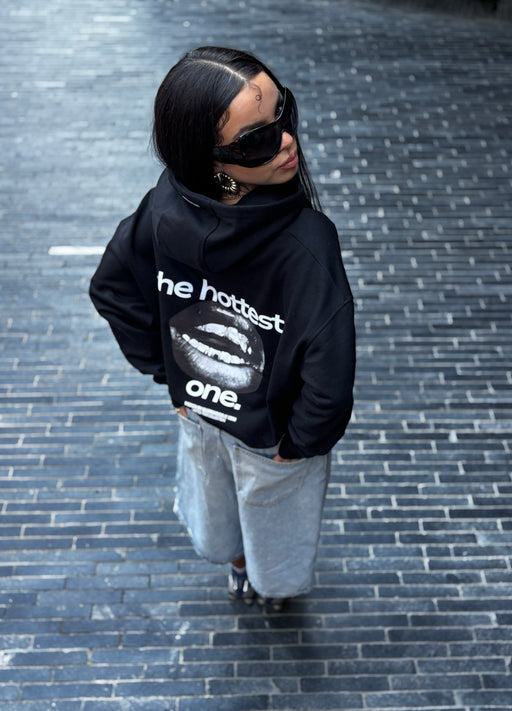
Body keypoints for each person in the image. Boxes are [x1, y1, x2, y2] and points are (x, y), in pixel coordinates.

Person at [89, 46, 356, 611]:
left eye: (283, 112)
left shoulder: (164, 205)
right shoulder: (307, 244)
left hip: (211, 416)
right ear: (212, 162)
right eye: (257, 139)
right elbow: (329, 371)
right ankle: (261, 582)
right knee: (274, 544)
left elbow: (113, 287)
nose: (287, 141)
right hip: (267, 435)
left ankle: (241, 571)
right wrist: (301, 444)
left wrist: (174, 375)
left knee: (219, 526)